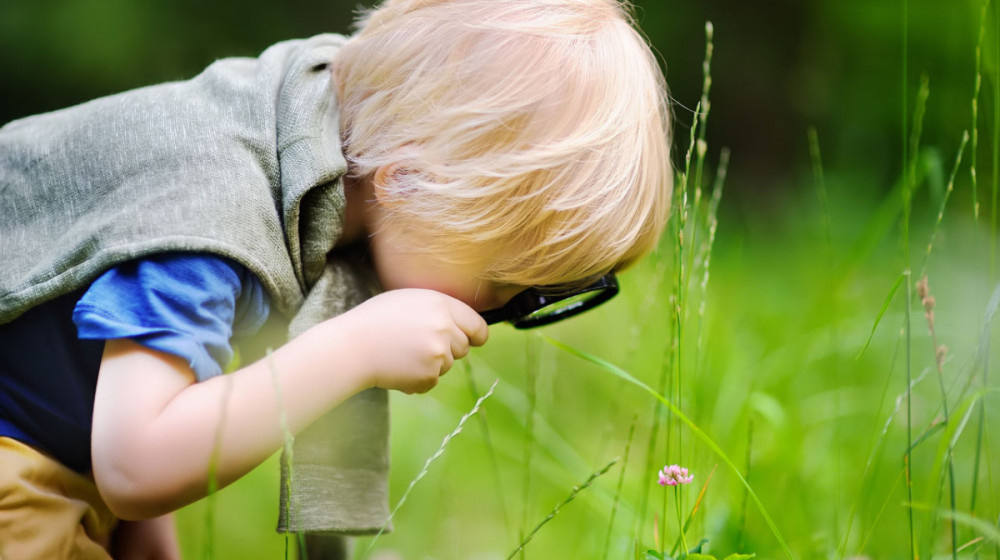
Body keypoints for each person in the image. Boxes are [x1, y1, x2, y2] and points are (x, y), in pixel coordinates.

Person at [0, 0, 672, 557]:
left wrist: (146, 531)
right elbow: (136, 463)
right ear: (406, 184)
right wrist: (352, 347)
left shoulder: (312, 127)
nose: (497, 312)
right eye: (498, 283)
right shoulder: (212, 205)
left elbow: (123, 345)